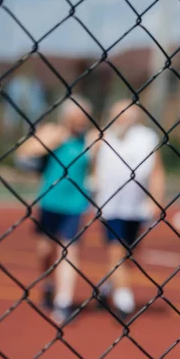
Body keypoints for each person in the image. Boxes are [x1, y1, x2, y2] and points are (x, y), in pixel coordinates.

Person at [16, 95, 94, 324]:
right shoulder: (52, 132)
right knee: (45, 250)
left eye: (84, 118)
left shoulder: (89, 139)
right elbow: (24, 152)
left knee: (70, 250)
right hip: (50, 201)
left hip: (76, 204)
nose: (80, 122)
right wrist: (52, 141)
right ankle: (48, 283)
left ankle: (63, 302)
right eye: (76, 117)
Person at [93, 99, 165, 320]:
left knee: (129, 253)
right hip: (110, 205)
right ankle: (124, 299)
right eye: (118, 114)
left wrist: (156, 200)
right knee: (115, 248)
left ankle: (107, 287)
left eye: (126, 114)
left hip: (136, 206)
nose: (122, 119)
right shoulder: (103, 137)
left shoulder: (147, 138)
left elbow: (156, 170)